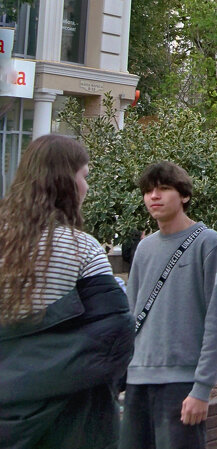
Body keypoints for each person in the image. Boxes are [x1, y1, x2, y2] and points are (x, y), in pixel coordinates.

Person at [0, 135, 134, 449]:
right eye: (85, 177)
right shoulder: (82, 248)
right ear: (65, 182)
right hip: (71, 417)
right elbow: (114, 338)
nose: (87, 187)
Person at [121, 162, 217, 449]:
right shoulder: (144, 248)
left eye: (164, 189)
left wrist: (202, 389)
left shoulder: (208, 243)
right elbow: (132, 315)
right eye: (148, 191)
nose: (153, 196)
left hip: (181, 383)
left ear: (184, 195)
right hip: (138, 380)